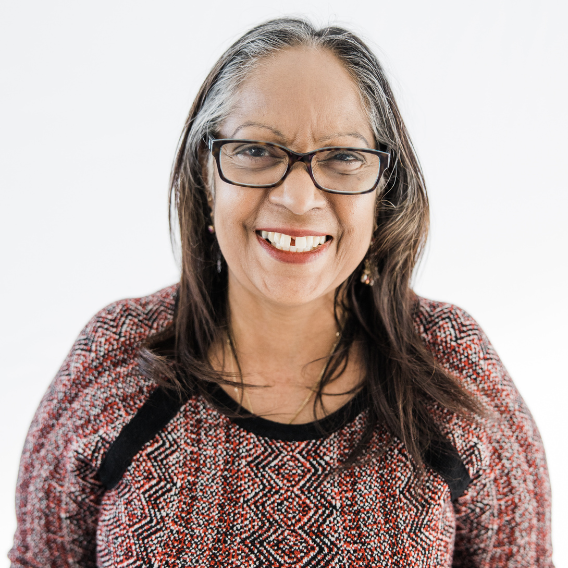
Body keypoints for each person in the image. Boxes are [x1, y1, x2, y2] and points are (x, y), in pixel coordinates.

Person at [9, 18, 553, 568]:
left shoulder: (453, 365)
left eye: (342, 157)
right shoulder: (117, 357)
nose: (297, 197)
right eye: (257, 151)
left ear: (382, 188)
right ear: (206, 171)